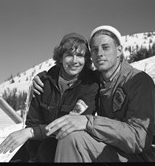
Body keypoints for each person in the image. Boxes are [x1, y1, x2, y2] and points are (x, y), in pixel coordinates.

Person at [33, 25, 155, 162]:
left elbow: (139, 139)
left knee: (72, 139)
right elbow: (69, 69)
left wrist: (89, 122)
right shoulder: (96, 78)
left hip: (138, 156)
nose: (100, 53)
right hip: (110, 146)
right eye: (95, 49)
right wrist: (43, 78)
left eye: (106, 47)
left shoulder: (138, 82)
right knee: (62, 138)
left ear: (119, 50)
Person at [0, 33, 99, 162]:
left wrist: (32, 132)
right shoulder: (43, 82)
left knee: (47, 148)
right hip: (39, 142)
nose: (74, 61)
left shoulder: (90, 85)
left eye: (80, 55)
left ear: (86, 59)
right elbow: (32, 123)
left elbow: (70, 126)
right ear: (61, 58)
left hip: (67, 145)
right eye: (69, 55)